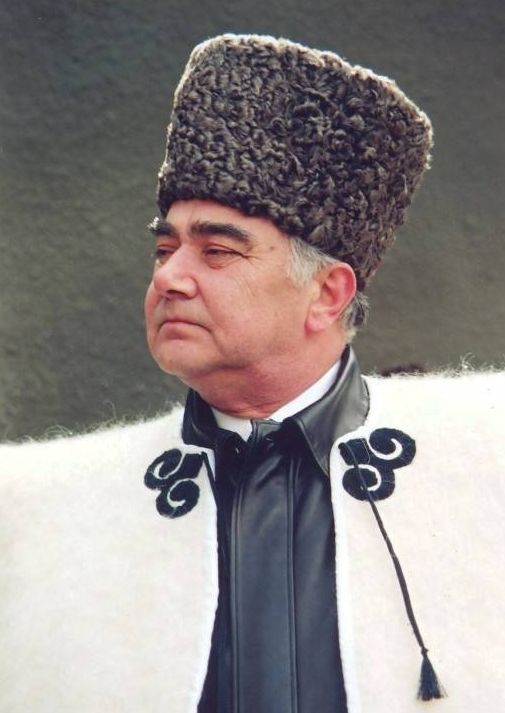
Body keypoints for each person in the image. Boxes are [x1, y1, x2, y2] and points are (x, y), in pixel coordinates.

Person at [1, 34, 505, 713]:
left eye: (217, 251)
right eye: (165, 248)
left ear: (326, 293)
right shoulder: (30, 505)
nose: (170, 277)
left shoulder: (488, 463)